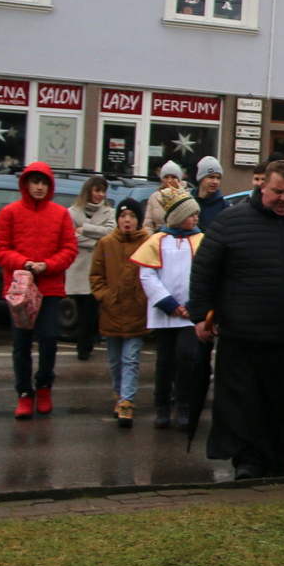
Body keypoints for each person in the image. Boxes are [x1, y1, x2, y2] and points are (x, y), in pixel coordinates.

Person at [190, 160, 284, 479]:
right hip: (244, 335)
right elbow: (204, 270)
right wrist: (201, 314)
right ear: (263, 187)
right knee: (245, 404)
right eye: (277, 192)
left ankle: (279, 463)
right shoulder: (231, 221)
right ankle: (247, 462)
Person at [0, 162, 78, 418]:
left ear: (49, 185)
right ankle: (24, 393)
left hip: (50, 288)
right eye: (35, 182)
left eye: (44, 183)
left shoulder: (60, 214)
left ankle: (44, 386)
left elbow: (69, 249)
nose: (39, 187)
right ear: (26, 184)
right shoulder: (9, 212)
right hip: (20, 291)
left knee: (49, 339)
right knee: (21, 345)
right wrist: (25, 263)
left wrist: (47, 265)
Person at [132, 191, 210, 432]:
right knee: (164, 361)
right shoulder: (158, 240)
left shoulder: (201, 240)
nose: (197, 218)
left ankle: (184, 405)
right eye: (191, 214)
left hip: (188, 314)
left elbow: (205, 276)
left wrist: (192, 305)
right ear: (178, 217)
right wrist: (166, 302)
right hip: (165, 313)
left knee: (186, 358)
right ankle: (162, 407)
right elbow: (147, 274)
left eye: (197, 213)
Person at [91, 198, 150, 426]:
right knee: (115, 360)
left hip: (137, 310)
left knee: (131, 358)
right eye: (123, 216)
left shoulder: (148, 242)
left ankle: (127, 402)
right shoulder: (106, 243)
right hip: (112, 310)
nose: (127, 221)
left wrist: (144, 298)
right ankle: (119, 395)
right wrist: (104, 296)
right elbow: (96, 275)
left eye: (132, 216)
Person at [66, 174, 115, 361]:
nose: (100, 194)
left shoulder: (109, 212)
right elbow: (70, 237)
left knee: (91, 308)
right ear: (89, 191)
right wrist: (95, 239)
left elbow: (109, 234)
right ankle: (87, 340)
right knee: (81, 309)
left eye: (103, 191)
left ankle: (84, 347)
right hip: (78, 268)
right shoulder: (72, 212)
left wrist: (84, 230)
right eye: (97, 190)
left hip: (98, 268)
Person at [143, 160, 185, 232]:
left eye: (173, 177)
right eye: (166, 177)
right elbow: (148, 225)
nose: (169, 181)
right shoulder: (154, 197)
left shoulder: (186, 197)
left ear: (179, 179)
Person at [194, 157, 227, 227]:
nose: (215, 182)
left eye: (218, 178)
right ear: (201, 178)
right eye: (211, 177)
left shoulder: (224, 207)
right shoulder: (188, 202)